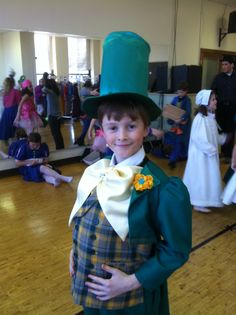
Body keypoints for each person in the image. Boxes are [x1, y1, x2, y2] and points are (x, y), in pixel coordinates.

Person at [68, 31, 192, 315]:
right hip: (91, 294)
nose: (121, 136)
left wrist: (132, 282)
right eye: (113, 127)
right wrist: (74, 251)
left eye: (131, 126)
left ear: (146, 128)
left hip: (131, 303)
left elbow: (176, 250)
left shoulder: (163, 189)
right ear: (102, 130)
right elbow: (88, 223)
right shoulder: (95, 174)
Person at [183, 89, 227, 213]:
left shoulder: (210, 118)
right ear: (206, 103)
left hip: (208, 154)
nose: (216, 101)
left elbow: (213, 136)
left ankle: (204, 199)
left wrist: (223, 139)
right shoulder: (200, 119)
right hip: (201, 156)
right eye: (213, 99)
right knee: (201, 177)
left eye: (215, 99)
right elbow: (198, 139)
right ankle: (198, 201)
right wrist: (210, 149)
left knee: (207, 177)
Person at [211, 55, 236, 160]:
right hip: (220, 107)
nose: (223, 66)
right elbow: (212, 92)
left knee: (231, 130)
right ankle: (221, 151)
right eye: (222, 64)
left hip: (233, 108)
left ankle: (228, 155)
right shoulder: (218, 78)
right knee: (220, 129)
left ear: (232, 65)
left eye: (226, 64)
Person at [164, 81, 192, 169]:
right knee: (175, 141)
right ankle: (173, 158)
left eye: (182, 92)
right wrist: (168, 114)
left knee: (182, 141)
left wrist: (182, 119)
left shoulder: (187, 100)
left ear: (186, 92)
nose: (180, 93)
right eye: (179, 91)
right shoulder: (175, 99)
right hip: (175, 125)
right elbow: (171, 108)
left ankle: (179, 157)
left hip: (183, 126)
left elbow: (188, 112)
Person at [74, 80, 99, 146]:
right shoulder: (84, 90)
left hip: (86, 111)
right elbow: (91, 93)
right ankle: (80, 139)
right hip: (85, 111)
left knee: (87, 125)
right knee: (87, 125)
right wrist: (93, 92)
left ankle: (80, 139)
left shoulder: (84, 90)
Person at [42, 78, 65, 150]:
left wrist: (45, 81)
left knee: (55, 134)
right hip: (57, 116)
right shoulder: (55, 92)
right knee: (58, 133)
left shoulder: (51, 92)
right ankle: (61, 147)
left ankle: (59, 148)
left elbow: (43, 89)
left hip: (53, 116)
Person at [0, 73, 21, 147]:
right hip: (13, 112)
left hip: (7, 113)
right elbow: (19, 103)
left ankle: (11, 147)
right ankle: (14, 146)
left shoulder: (4, 93)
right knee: (14, 131)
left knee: (8, 132)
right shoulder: (15, 92)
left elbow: (4, 103)